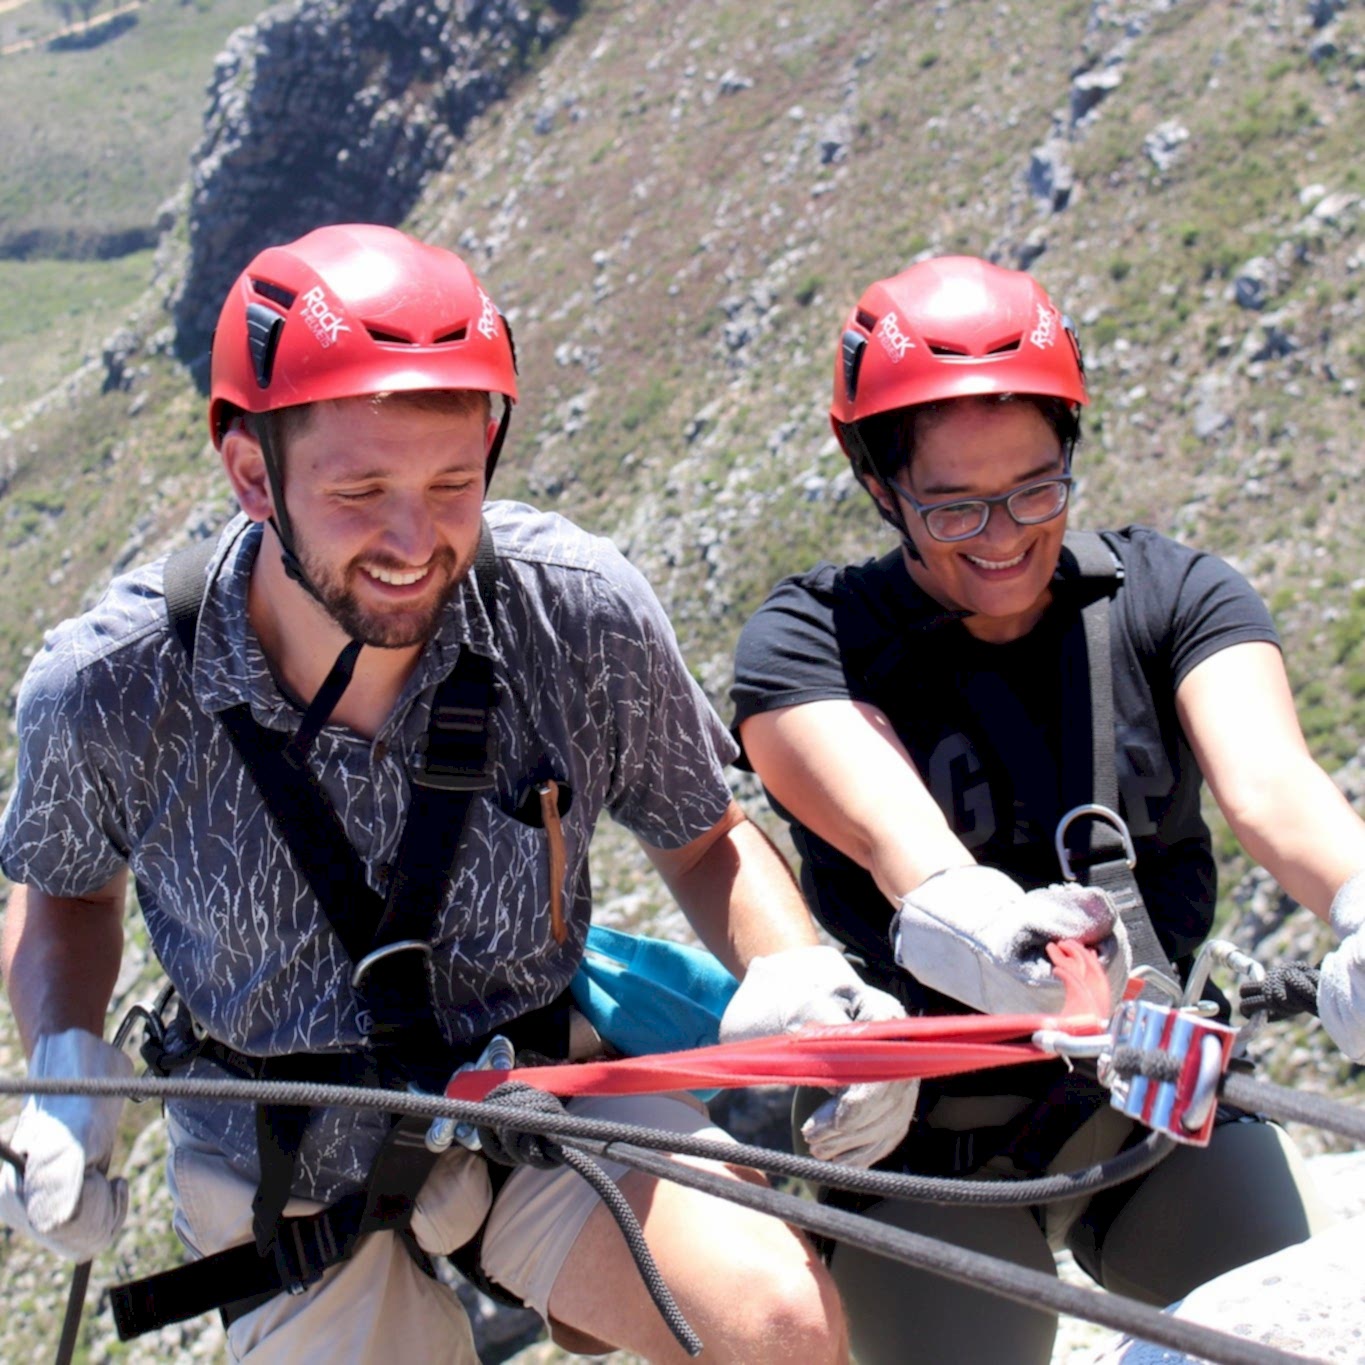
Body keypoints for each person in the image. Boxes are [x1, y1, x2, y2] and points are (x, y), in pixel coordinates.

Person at [0, 223, 918, 1364]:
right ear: (250, 473)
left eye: (452, 484)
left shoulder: (571, 614)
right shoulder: (113, 684)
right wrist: (64, 1065)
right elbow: (67, 891)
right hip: (282, 1158)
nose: (412, 540)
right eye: (360, 490)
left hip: (540, 1088)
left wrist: (795, 972)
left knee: (777, 1324)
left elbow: (702, 839)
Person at [731, 254, 1365, 1363]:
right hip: (922, 1133)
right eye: (952, 506)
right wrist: (986, 923)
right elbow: (898, 838)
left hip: (1155, 1088)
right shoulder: (809, 643)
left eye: (1036, 489)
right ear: (876, 483)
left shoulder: (1173, 599)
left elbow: (1274, 787)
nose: (1003, 536)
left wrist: (1358, 900)